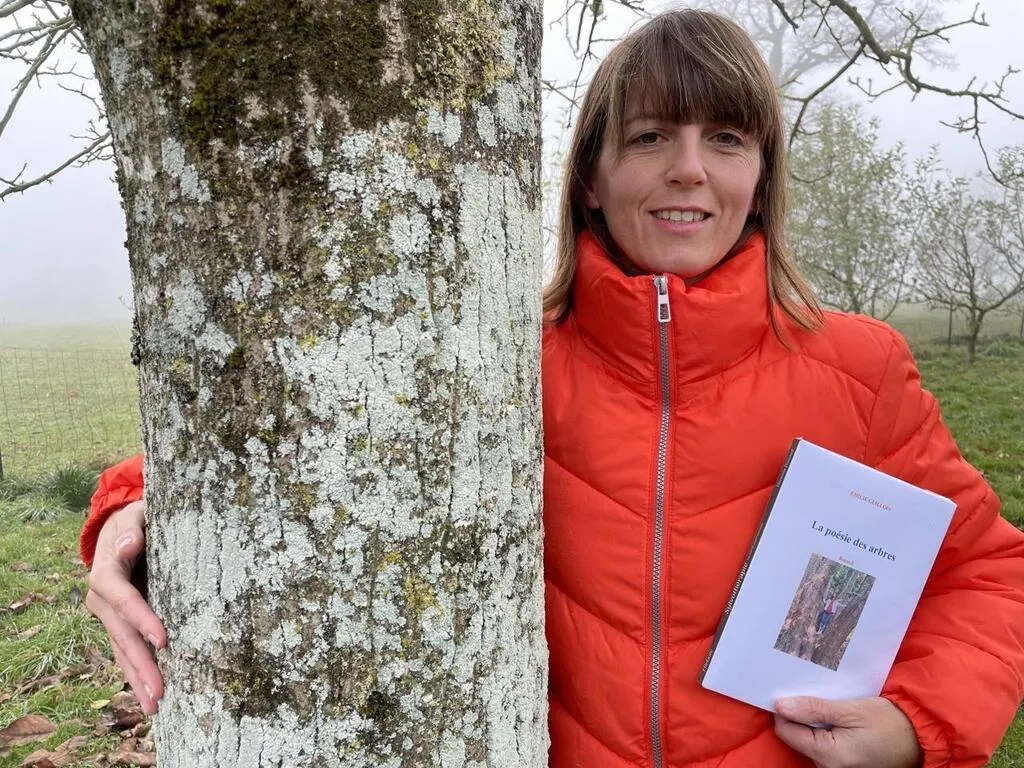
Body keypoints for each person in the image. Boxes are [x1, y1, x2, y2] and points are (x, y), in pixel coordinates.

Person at [81, 9, 1024, 768]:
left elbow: (990, 574)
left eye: (727, 138)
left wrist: (916, 727)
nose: (690, 168)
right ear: (589, 179)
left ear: (761, 177)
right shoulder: (501, 361)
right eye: (652, 135)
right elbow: (309, 443)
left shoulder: (858, 369)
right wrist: (132, 511)